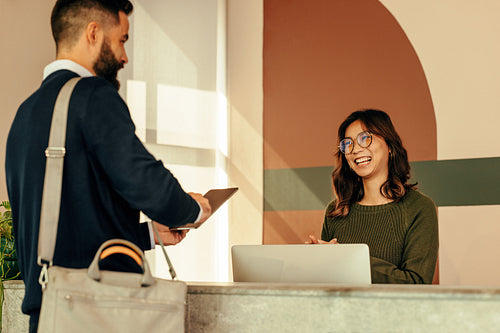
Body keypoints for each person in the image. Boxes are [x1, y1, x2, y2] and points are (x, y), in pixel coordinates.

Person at [5, 0, 211, 331]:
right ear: (93, 32)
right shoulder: (93, 96)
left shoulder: (24, 115)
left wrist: (148, 235)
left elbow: (63, 228)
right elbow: (148, 183)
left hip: (49, 316)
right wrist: (194, 209)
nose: (124, 57)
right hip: (99, 315)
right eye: (122, 40)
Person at [308, 109, 438, 284]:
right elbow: (326, 283)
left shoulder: (419, 208)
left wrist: (349, 258)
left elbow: (416, 283)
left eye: (365, 138)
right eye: (348, 144)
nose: (355, 150)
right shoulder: (336, 211)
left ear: (390, 146)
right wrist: (312, 262)